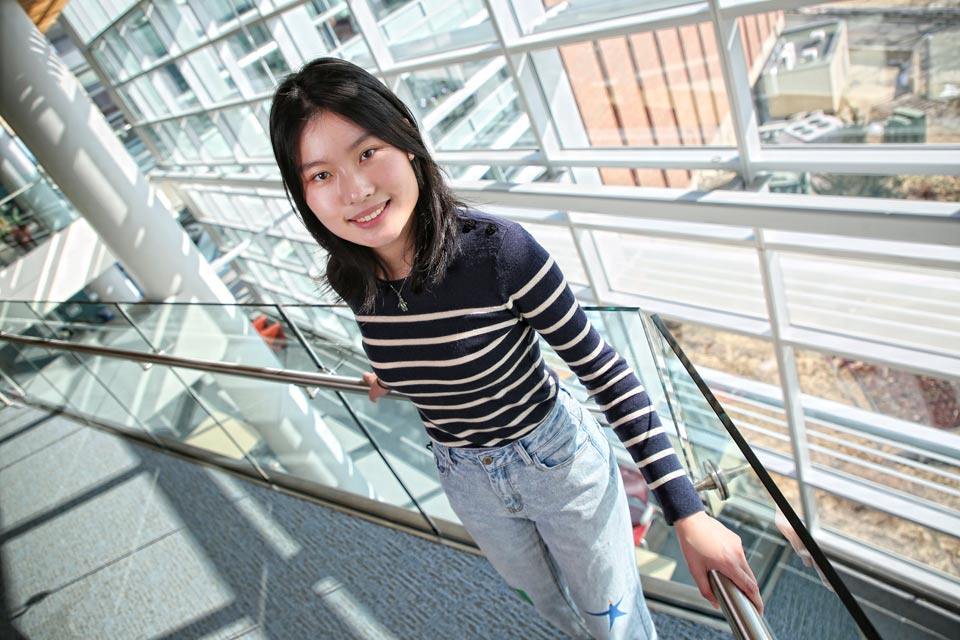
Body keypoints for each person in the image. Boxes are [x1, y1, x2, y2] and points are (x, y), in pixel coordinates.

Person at [270, 57, 762, 639]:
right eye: (321, 175)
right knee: (546, 605)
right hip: (464, 475)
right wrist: (391, 377)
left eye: (367, 151)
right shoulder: (354, 276)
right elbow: (421, 346)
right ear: (304, 194)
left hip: (553, 460)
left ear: (407, 142)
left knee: (615, 620)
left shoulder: (499, 253)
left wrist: (688, 510)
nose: (355, 189)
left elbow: (605, 372)